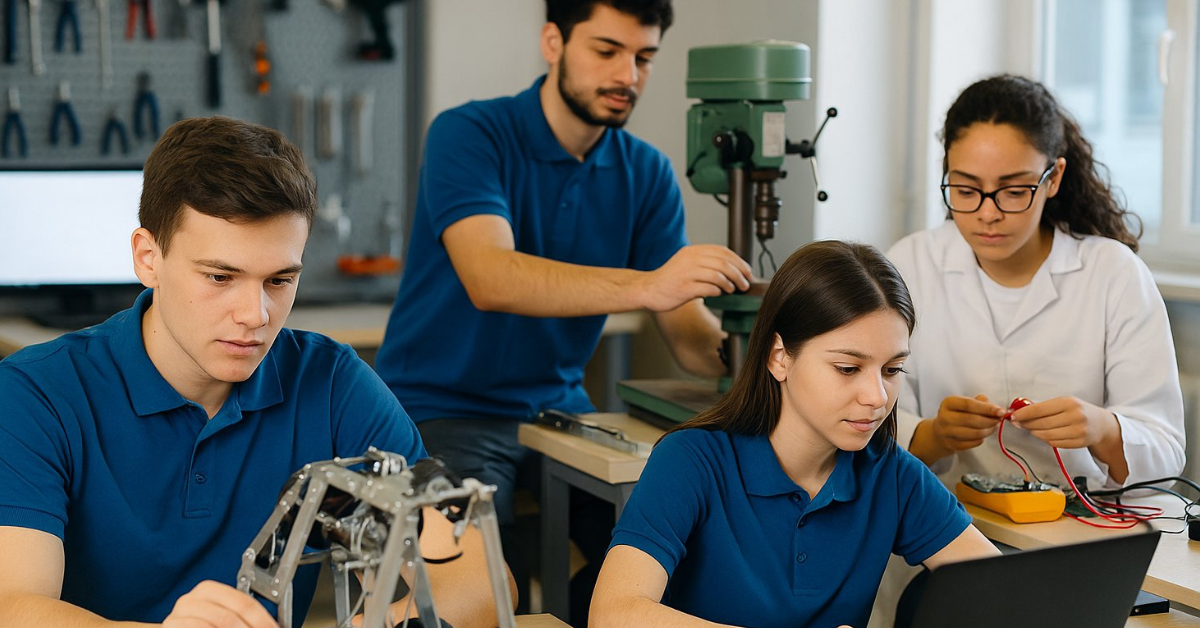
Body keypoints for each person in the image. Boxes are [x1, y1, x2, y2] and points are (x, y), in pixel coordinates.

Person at [0, 117, 511, 628]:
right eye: (221, 276)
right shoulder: (34, 395)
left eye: (279, 280)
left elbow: (481, 583)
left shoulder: (333, 386)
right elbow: (13, 605)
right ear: (148, 258)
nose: (255, 315)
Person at [373, 0, 752, 621]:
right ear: (553, 42)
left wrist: (763, 350)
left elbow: (686, 335)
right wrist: (648, 284)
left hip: (559, 411)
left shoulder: (647, 174)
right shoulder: (469, 135)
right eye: (606, 51)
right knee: (484, 591)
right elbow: (490, 277)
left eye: (644, 57)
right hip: (439, 409)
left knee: (674, 566)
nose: (628, 75)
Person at [589, 241, 1000, 628]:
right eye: (847, 368)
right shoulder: (691, 460)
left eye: (892, 370)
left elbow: (1008, 594)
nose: (877, 396)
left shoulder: (892, 474)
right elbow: (612, 613)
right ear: (779, 356)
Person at [888, 74, 1185, 491]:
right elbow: (868, 430)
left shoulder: (1112, 273)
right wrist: (933, 436)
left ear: (1054, 178)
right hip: (953, 524)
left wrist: (1102, 429)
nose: (988, 213)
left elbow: (1166, 452)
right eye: (966, 188)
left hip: (1084, 526)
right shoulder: (909, 265)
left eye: (1013, 190)